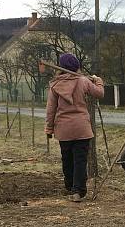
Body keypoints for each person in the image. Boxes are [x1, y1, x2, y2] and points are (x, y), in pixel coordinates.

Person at [44, 53, 105, 202]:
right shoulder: (83, 81)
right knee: (80, 160)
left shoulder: (55, 85)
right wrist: (99, 81)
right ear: (76, 66)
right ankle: (78, 191)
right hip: (81, 128)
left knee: (67, 159)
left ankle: (70, 186)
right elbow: (99, 93)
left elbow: (51, 109)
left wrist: (49, 129)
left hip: (63, 130)